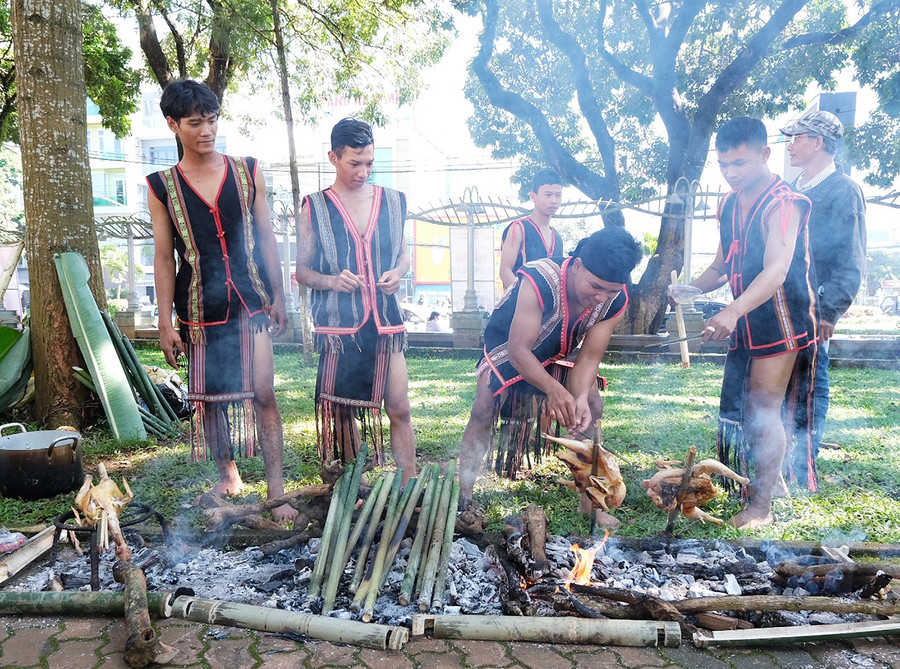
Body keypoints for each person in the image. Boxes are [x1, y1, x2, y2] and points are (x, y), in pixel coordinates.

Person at [147, 80, 295, 523]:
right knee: (210, 401)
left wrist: (280, 295)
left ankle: (277, 491)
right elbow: (162, 255)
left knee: (264, 393)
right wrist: (165, 322)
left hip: (250, 303)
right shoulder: (162, 186)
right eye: (195, 122)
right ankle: (229, 474)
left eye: (211, 120)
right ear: (173, 124)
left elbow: (268, 237)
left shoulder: (249, 171)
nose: (207, 130)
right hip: (197, 309)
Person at [682, 117, 817, 529]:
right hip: (745, 314)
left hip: (781, 316)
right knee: (745, 409)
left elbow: (776, 269)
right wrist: (693, 289)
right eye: (724, 165)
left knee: (762, 408)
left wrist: (731, 310)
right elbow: (724, 264)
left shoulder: (784, 202)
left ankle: (761, 506)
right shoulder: (726, 203)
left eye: (739, 163)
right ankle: (769, 484)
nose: (732, 173)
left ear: (764, 153)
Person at [458, 227, 643, 527]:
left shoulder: (615, 300)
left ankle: (591, 503)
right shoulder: (539, 278)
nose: (601, 297)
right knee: (484, 405)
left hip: (561, 352)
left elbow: (590, 357)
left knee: (593, 408)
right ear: (579, 264)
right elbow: (519, 351)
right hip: (510, 347)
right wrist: (555, 392)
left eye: (610, 290)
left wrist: (579, 396)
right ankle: (464, 493)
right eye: (596, 286)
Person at [295, 118, 416, 484]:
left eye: (369, 164)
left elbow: (404, 257)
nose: (363, 172)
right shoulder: (314, 208)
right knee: (344, 410)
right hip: (338, 325)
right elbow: (301, 271)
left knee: (399, 405)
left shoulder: (394, 202)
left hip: (386, 320)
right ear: (333, 157)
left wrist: (398, 273)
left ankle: (408, 482)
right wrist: (332, 280)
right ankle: (354, 484)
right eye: (354, 163)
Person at [781, 109, 867, 484]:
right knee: (782, 386)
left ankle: (803, 468)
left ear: (818, 142)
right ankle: (778, 463)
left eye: (797, 138)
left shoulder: (843, 190)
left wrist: (828, 311)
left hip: (816, 307)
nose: (790, 145)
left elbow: (851, 260)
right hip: (786, 305)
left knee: (810, 386)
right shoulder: (796, 189)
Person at [499, 169, 565, 289]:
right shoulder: (519, 228)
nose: (554, 201)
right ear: (533, 196)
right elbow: (505, 271)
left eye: (558, 195)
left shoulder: (557, 237)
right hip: (517, 306)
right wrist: (525, 300)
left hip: (548, 306)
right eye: (548, 195)